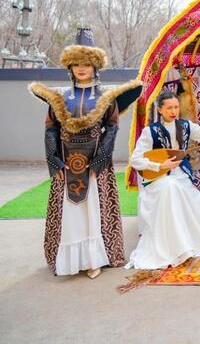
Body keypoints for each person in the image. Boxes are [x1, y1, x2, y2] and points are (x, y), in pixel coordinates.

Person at [29, 27, 141, 278]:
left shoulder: (105, 97)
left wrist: (101, 159)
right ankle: (69, 259)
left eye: (87, 64)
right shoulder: (59, 97)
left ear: (95, 67)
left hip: (95, 163)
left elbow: (111, 128)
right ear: (70, 67)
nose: (81, 68)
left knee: (93, 210)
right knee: (70, 213)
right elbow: (51, 129)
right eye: (77, 64)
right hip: (66, 161)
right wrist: (53, 160)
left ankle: (94, 259)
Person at [128, 91, 200, 269]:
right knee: (170, 187)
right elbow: (135, 159)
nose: (173, 111)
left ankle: (187, 243)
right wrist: (160, 165)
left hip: (181, 175)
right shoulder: (150, 132)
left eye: (176, 107)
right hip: (159, 178)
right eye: (169, 108)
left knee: (186, 193)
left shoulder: (186, 126)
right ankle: (175, 247)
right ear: (160, 110)